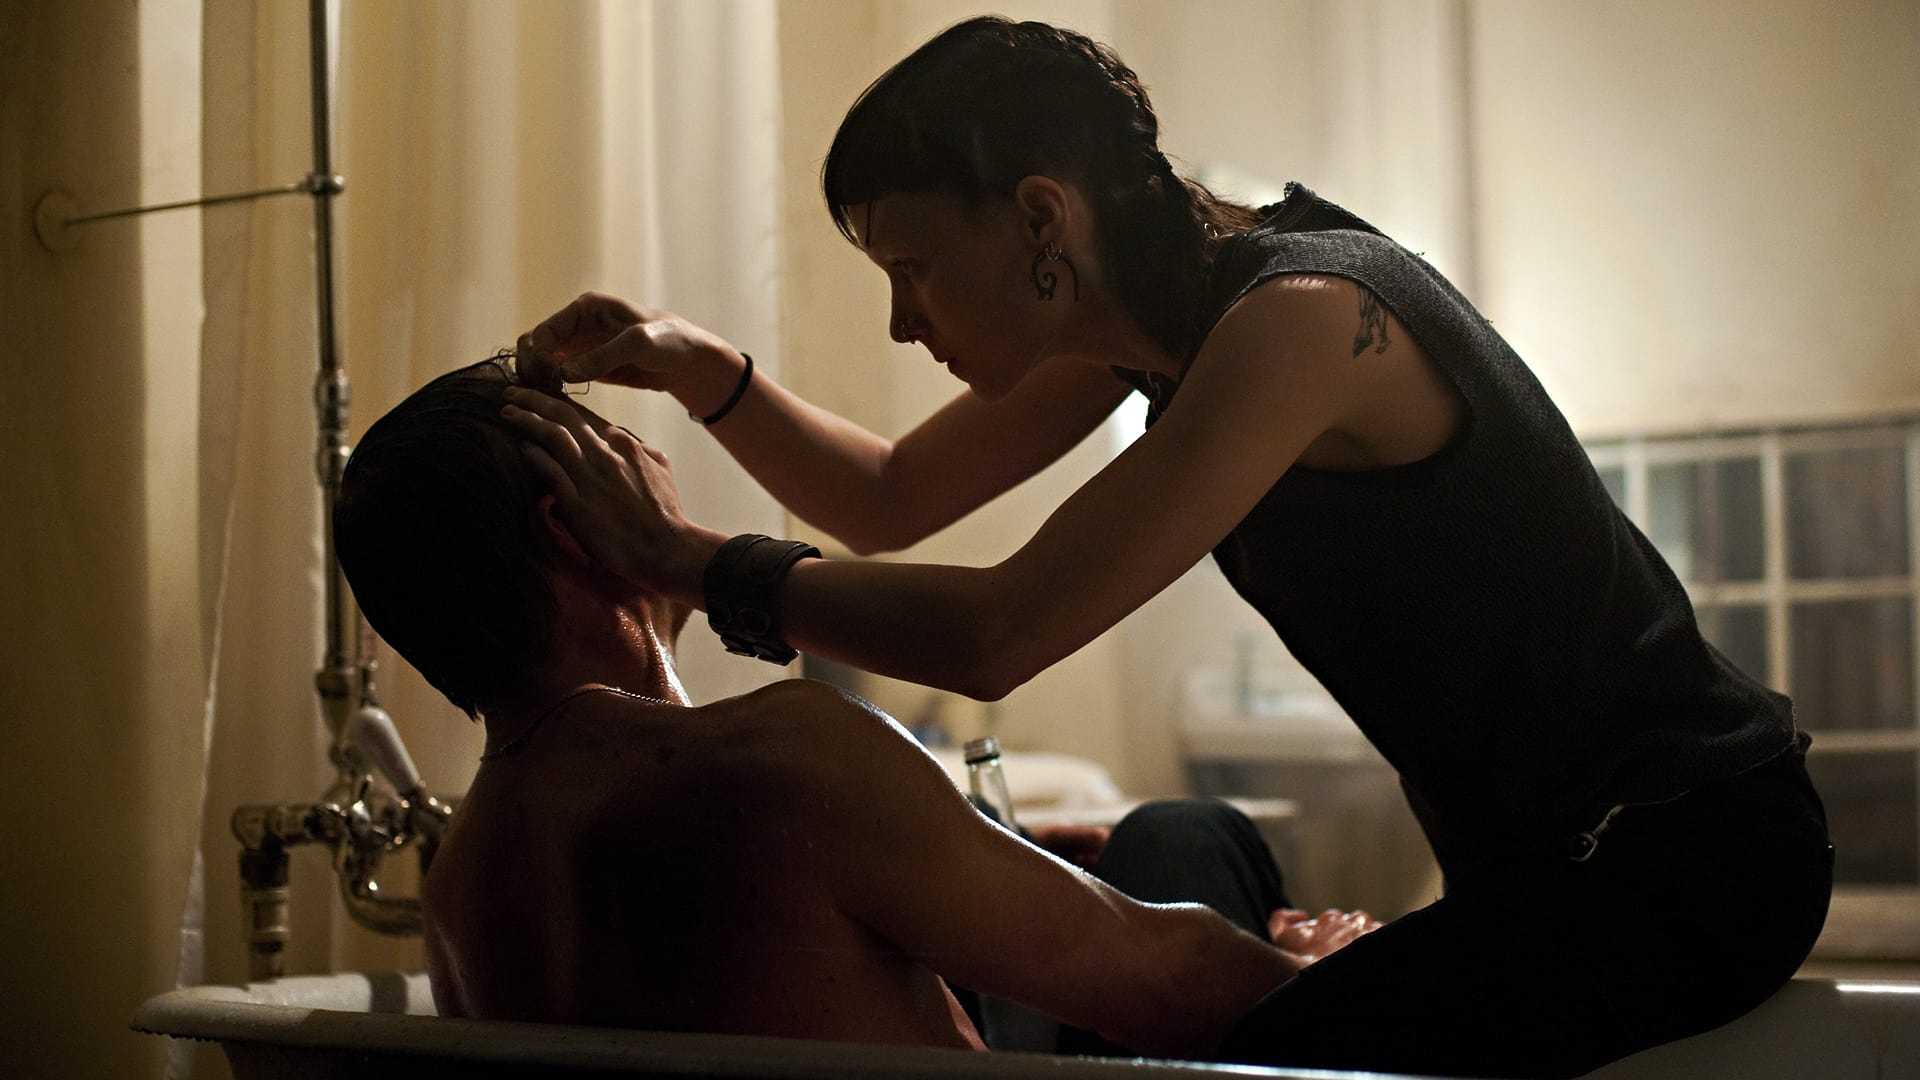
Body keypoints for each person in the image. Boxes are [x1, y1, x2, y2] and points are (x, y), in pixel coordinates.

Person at [498, 16, 1834, 1078]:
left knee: (1227, 1068)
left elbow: (1001, 633)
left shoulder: (1305, 320)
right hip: (1550, 879)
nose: (907, 323)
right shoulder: (1159, 328)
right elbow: (891, 497)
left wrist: (683, 561)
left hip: (1691, 855)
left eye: (915, 269)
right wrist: (697, 367)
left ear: (1041, 220)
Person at [331, 357, 1376, 1055]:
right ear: (574, 526)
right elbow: (1165, 986)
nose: (660, 472)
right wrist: (1323, 973)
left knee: (1152, 848)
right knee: (1190, 840)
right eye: (624, 458)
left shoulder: (460, 886)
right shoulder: (779, 759)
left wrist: (975, 851)